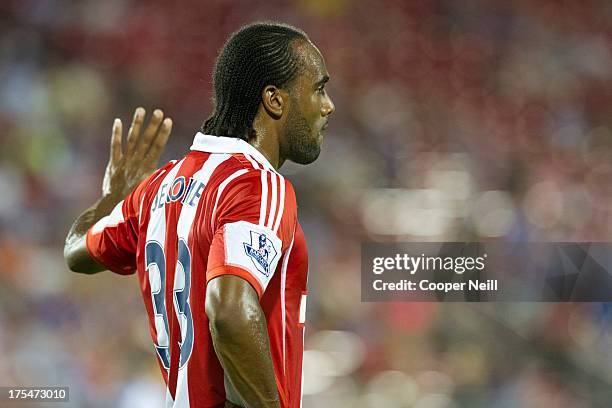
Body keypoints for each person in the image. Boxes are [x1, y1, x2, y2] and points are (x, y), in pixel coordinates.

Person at [63, 22, 334, 408]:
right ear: (275, 100)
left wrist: (112, 197)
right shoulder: (258, 185)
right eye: (319, 88)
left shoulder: (158, 187)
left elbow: (76, 252)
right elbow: (229, 311)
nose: (328, 105)